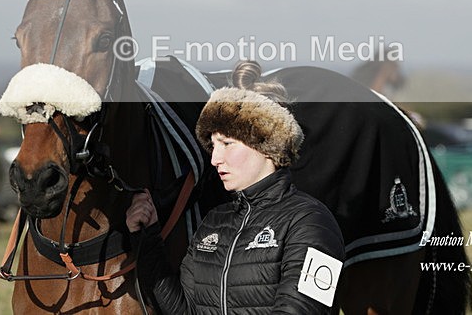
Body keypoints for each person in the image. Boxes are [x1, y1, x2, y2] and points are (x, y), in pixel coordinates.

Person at [126, 61, 345, 314]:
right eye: (213, 145)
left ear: (265, 144)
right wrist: (148, 238)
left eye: (227, 143)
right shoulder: (214, 222)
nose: (214, 159)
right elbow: (182, 310)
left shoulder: (313, 222)